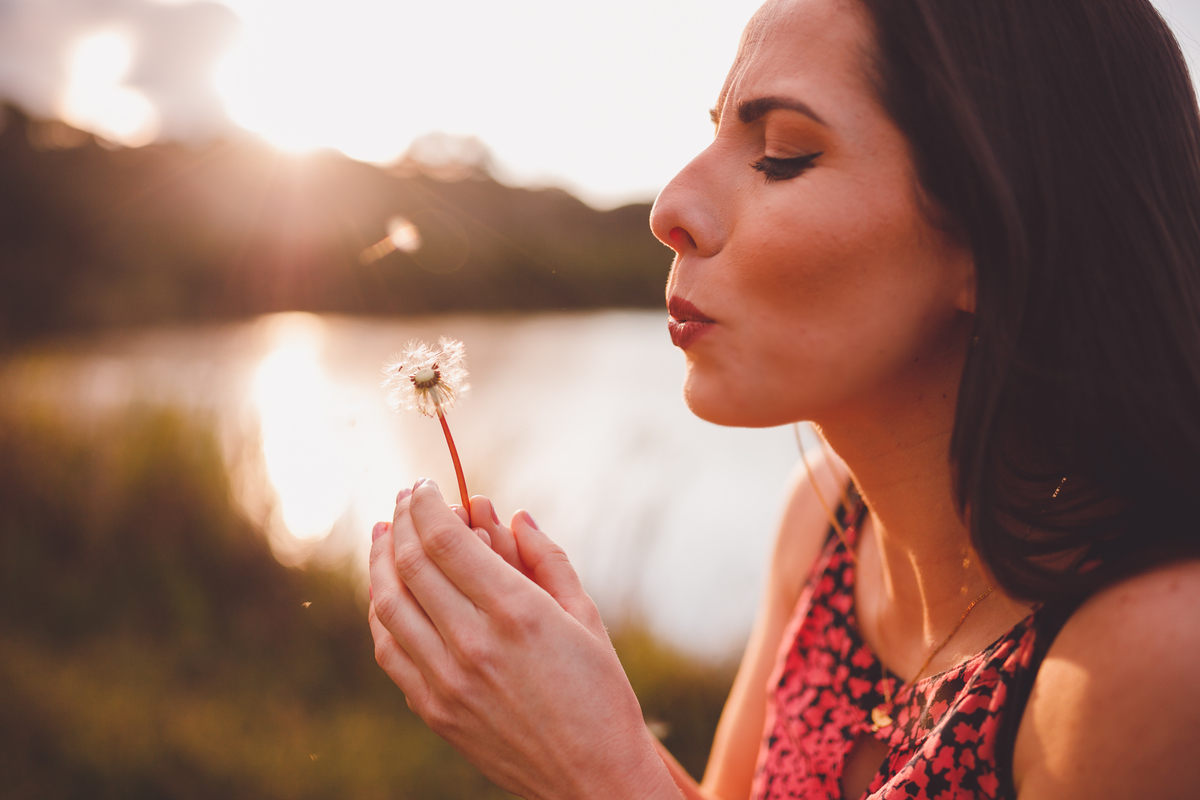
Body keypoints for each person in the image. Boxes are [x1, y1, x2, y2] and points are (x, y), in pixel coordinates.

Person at [367, 0, 1200, 797]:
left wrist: (598, 774)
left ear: (996, 235)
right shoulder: (827, 526)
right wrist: (582, 711)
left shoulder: (1152, 661)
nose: (670, 209)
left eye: (782, 154)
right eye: (716, 135)